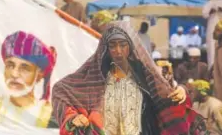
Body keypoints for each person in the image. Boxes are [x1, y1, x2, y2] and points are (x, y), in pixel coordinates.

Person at [52, 21, 208, 135]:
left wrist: (181, 90)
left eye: (123, 44)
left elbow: (166, 96)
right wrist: (73, 117)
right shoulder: (96, 74)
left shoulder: (145, 73)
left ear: (131, 46)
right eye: (113, 45)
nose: (118, 51)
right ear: (106, 48)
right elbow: (62, 90)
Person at [0, 31, 58, 128]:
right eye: (10, 65)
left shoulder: (50, 116)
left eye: (25, 68)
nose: (14, 74)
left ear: (39, 74)